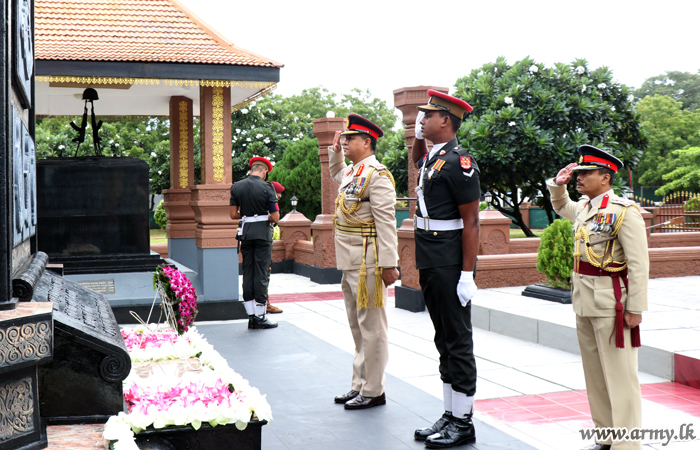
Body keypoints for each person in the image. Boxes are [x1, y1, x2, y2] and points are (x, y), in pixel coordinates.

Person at [548, 145, 648, 450]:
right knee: (596, 376)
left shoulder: (624, 212)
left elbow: (639, 265)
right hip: (584, 302)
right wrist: (558, 185)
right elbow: (561, 206)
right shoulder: (585, 207)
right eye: (578, 173)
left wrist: (635, 308)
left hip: (612, 306)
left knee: (621, 378)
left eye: (585, 173)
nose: (579, 178)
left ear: (605, 177)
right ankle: (605, 436)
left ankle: (627, 444)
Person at [411, 90, 480, 448]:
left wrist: (467, 274)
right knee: (443, 339)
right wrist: (416, 137)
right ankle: (450, 413)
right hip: (430, 255)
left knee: (457, 339)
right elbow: (416, 162)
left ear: (446, 120)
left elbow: (472, 222)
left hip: (450, 260)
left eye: (428, 116)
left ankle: (463, 421)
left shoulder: (458, 162)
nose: (422, 120)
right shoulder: (432, 157)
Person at [328, 114, 399, 410]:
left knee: (372, 328)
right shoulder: (354, 171)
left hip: (368, 262)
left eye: (350, 139)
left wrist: (389, 264)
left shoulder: (377, 175)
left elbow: (386, 222)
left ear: (366, 142)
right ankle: (359, 383)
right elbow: (336, 173)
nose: (344, 142)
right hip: (350, 262)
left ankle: (373, 389)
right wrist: (334, 152)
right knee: (357, 327)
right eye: (344, 139)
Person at [230, 156, 280, 330]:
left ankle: (251, 316)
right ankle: (260, 316)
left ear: (251, 170)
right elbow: (275, 217)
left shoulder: (237, 186)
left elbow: (233, 214)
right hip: (262, 236)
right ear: (264, 172)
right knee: (261, 273)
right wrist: (263, 217)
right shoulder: (268, 187)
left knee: (248, 272)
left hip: (246, 234)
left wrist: (248, 216)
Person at [265, 181, 286, 314]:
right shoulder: (269, 202)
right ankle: (265, 303)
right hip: (264, 241)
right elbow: (275, 218)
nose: (280, 196)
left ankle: (260, 302)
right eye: (278, 193)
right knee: (265, 272)